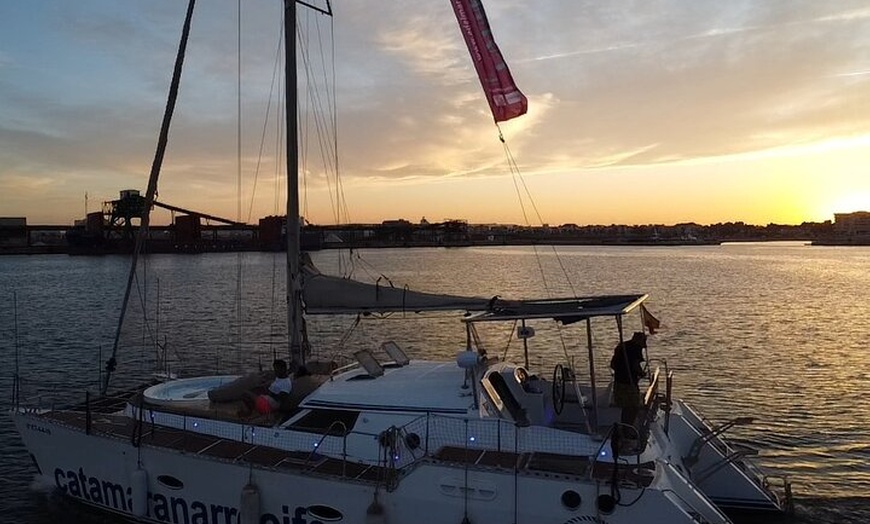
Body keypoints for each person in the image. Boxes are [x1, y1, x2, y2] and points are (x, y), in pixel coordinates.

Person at [610, 332, 647, 439]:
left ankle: (624, 427)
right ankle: (627, 430)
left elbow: (612, 364)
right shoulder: (635, 349)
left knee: (625, 407)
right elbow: (635, 365)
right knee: (634, 407)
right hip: (629, 383)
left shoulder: (621, 346)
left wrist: (620, 371)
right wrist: (641, 373)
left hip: (618, 382)